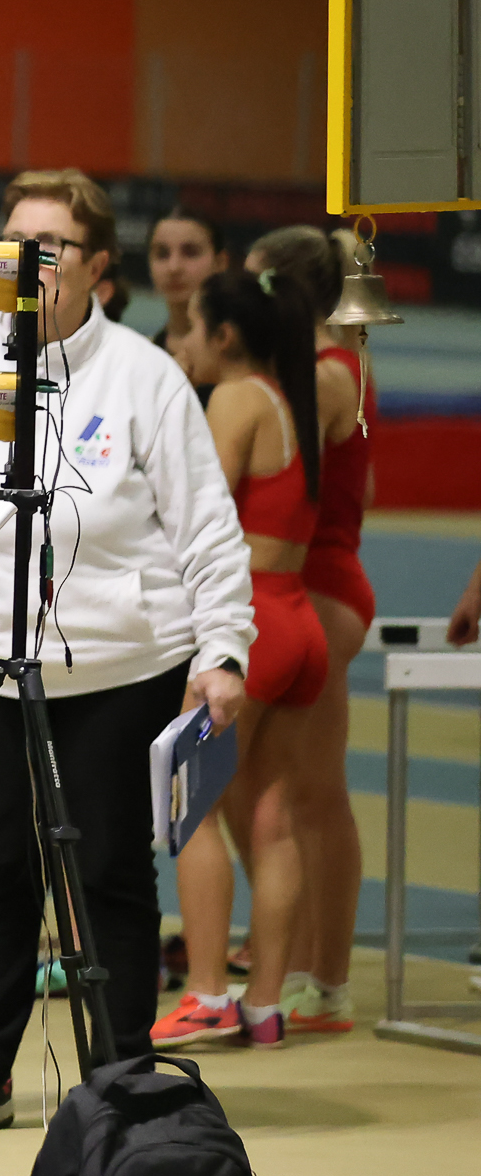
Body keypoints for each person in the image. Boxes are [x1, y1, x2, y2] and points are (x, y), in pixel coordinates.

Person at [0, 169, 250, 1134]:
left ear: (98, 267)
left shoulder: (145, 379)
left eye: (52, 248)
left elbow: (207, 528)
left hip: (122, 671)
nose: (27, 266)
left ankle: (118, 1078)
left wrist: (223, 648)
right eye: (12, 247)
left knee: (109, 867)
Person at [152, 266, 344, 1051]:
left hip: (253, 623)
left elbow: (199, 512)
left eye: (194, 329)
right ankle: (264, 1005)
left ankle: (206, 993)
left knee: (188, 803)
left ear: (224, 336)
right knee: (271, 817)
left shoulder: (233, 397)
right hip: (299, 621)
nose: (186, 342)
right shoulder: (292, 396)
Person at [253, 225, 372, 1033]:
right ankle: (309, 972)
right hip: (323, 582)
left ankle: (325, 980)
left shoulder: (327, 376)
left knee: (311, 797)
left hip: (322, 588)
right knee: (305, 795)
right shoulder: (341, 363)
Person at [145, 209, 224, 381]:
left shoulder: (244, 360)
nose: (174, 267)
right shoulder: (141, 358)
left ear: (220, 262)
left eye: (190, 252)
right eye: (162, 254)